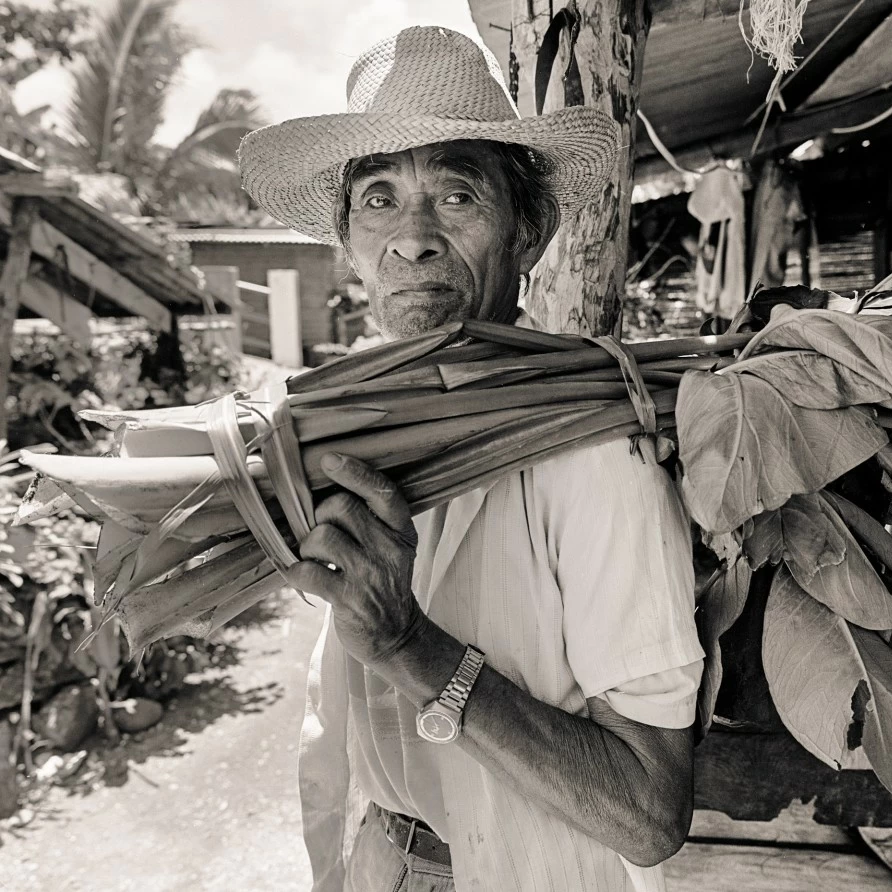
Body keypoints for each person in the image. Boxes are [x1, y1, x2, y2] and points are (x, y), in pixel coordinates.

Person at [238, 27, 704, 892]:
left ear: (527, 233)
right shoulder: (346, 426)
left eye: (456, 195)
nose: (411, 238)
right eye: (378, 198)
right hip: (379, 857)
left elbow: (647, 813)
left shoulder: (594, 448)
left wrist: (410, 646)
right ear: (348, 243)